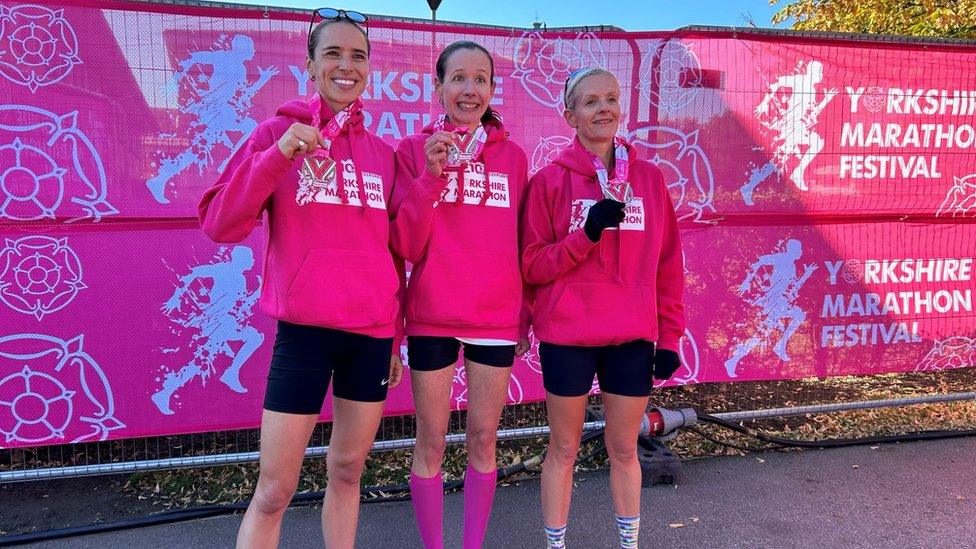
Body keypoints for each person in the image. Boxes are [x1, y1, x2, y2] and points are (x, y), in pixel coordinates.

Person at [197, 9, 402, 548]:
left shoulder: (383, 154)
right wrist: (279, 153)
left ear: (368, 71)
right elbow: (220, 223)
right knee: (274, 491)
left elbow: (398, 252)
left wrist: (396, 340)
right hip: (305, 336)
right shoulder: (274, 134)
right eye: (333, 53)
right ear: (310, 66)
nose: (346, 65)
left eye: (358, 56)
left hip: (372, 337)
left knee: (348, 472)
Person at [519, 67, 686, 549]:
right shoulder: (550, 181)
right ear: (569, 114)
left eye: (611, 98)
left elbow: (668, 265)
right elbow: (532, 265)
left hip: (631, 337)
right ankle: (556, 544)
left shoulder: (649, 180)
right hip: (567, 337)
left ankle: (628, 543)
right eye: (590, 102)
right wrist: (586, 235)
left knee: (623, 448)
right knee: (565, 448)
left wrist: (670, 336)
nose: (603, 109)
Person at [389, 41, 530, 549]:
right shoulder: (412, 150)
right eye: (458, 79)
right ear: (439, 87)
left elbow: (523, 241)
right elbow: (404, 245)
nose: (469, 90)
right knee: (429, 442)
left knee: (482, 440)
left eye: (480, 80)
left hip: (494, 318)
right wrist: (430, 176)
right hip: (431, 317)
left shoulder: (514, 159)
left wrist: (524, 316)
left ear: (492, 90)